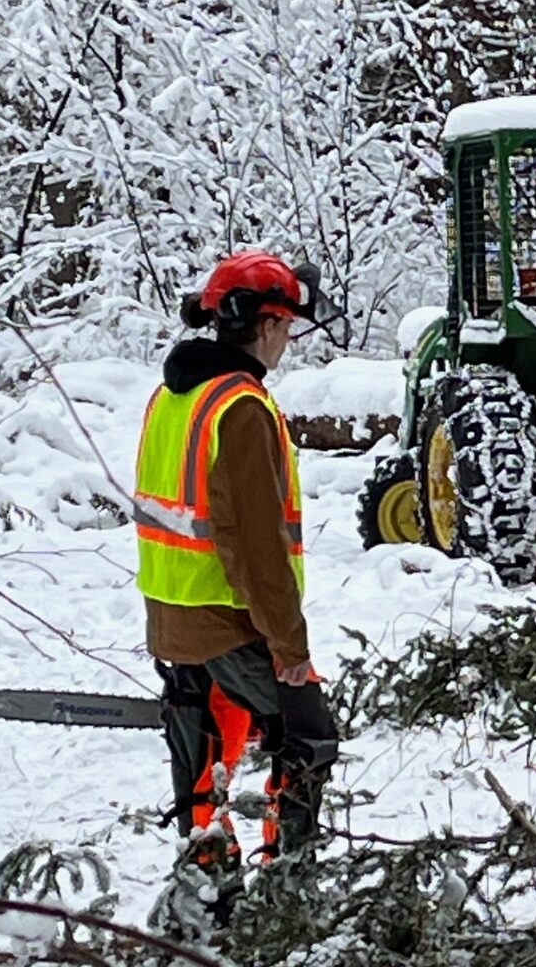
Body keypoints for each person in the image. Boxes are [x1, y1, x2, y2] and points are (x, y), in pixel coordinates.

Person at [133, 250, 339, 895]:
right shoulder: (240, 408)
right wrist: (290, 648)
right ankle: (289, 883)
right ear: (270, 325)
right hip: (229, 619)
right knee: (307, 739)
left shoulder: (174, 395)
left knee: (202, 747)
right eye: (288, 327)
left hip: (172, 612)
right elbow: (255, 546)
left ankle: (206, 878)